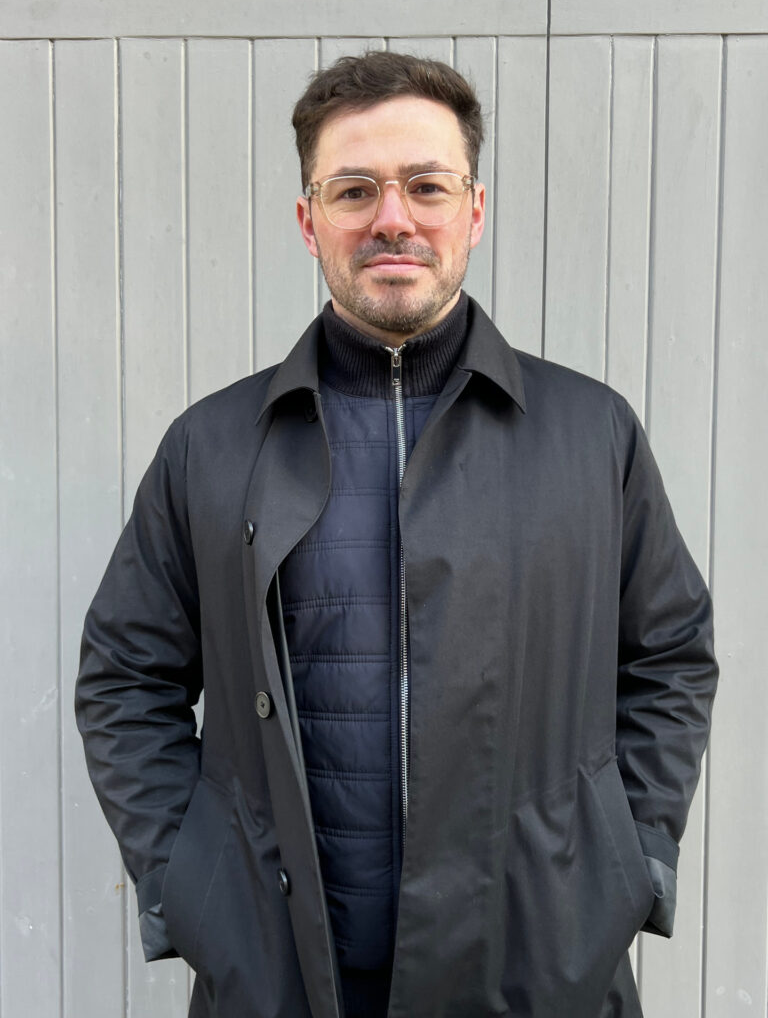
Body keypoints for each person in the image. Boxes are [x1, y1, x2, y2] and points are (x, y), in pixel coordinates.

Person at [75, 51, 718, 1018]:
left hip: (539, 973)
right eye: (354, 190)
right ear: (308, 220)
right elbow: (125, 677)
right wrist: (192, 882)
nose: (393, 218)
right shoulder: (211, 447)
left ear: (474, 208)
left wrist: (624, 864)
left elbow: (670, 655)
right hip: (283, 979)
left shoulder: (593, 435)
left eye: (426, 185)